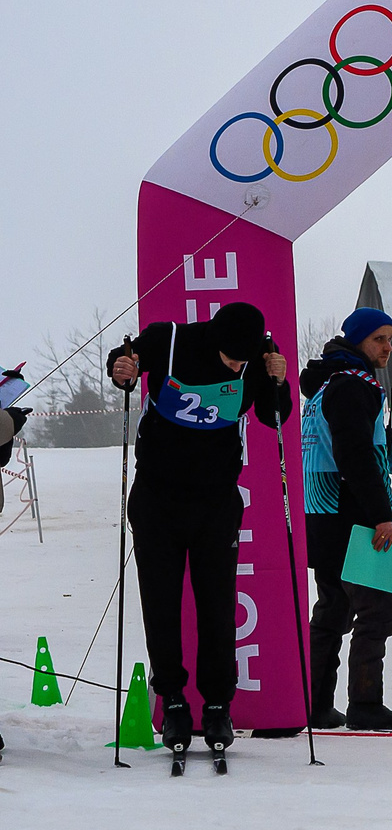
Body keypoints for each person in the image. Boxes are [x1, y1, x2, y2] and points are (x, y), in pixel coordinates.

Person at [107, 302, 293, 758]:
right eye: (231, 358)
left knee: (217, 605)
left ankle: (216, 705)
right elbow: (124, 361)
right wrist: (122, 368)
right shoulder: (170, 340)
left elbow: (274, 416)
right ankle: (171, 700)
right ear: (214, 340)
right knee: (161, 603)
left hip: (215, 503)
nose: (236, 366)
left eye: (243, 361)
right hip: (157, 500)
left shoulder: (258, 357)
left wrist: (278, 380)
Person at [293, 306, 392, 732]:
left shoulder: (324, 385)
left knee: (333, 610)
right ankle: (365, 703)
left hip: (322, 515)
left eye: (390, 339)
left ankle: (315, 704)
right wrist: (382, 515)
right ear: (358, 340)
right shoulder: (351, 386)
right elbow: (355, 456)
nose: (387, 347)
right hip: (353, 518)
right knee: (377, 610)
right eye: (379, 338)